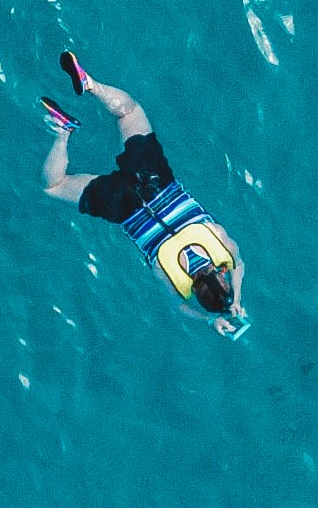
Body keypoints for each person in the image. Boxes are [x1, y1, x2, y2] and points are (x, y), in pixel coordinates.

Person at [42, 52, 245, 330]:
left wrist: (237, 296)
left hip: (156, 181)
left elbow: (238, 264)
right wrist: (209, 319)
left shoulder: (221, 242)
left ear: (222, 277)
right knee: (53, 186)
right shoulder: (169, 278)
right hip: (125, 207)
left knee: (130, 112)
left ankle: (90, 84)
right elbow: (179, 307)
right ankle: (62, 132)